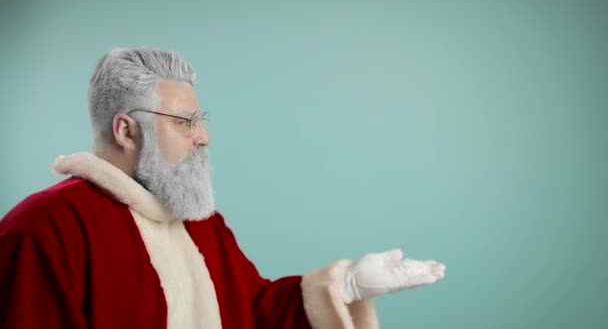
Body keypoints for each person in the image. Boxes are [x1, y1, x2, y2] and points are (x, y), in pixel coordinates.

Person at [0, 48, 446, 328]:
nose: (203, 137)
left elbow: (251, 308)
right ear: (125, 130)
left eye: (201, 120)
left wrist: (345, 286)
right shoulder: (46, 228)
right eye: (184, 122)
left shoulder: (198, 222)